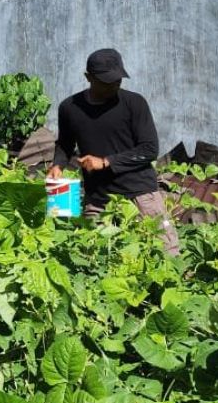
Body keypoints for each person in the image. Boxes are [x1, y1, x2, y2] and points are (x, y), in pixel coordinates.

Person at [48, 48, 180, 255]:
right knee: (92, 257)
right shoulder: (69, 108)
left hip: (141, 196)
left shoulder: (135, 103)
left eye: (117, 80)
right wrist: (58, 165)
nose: (114, 85)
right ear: (88, 77)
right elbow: (65, 144)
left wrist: (106, 162)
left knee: (167, 254)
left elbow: (149, 149)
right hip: (98, 198)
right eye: (106, 81)